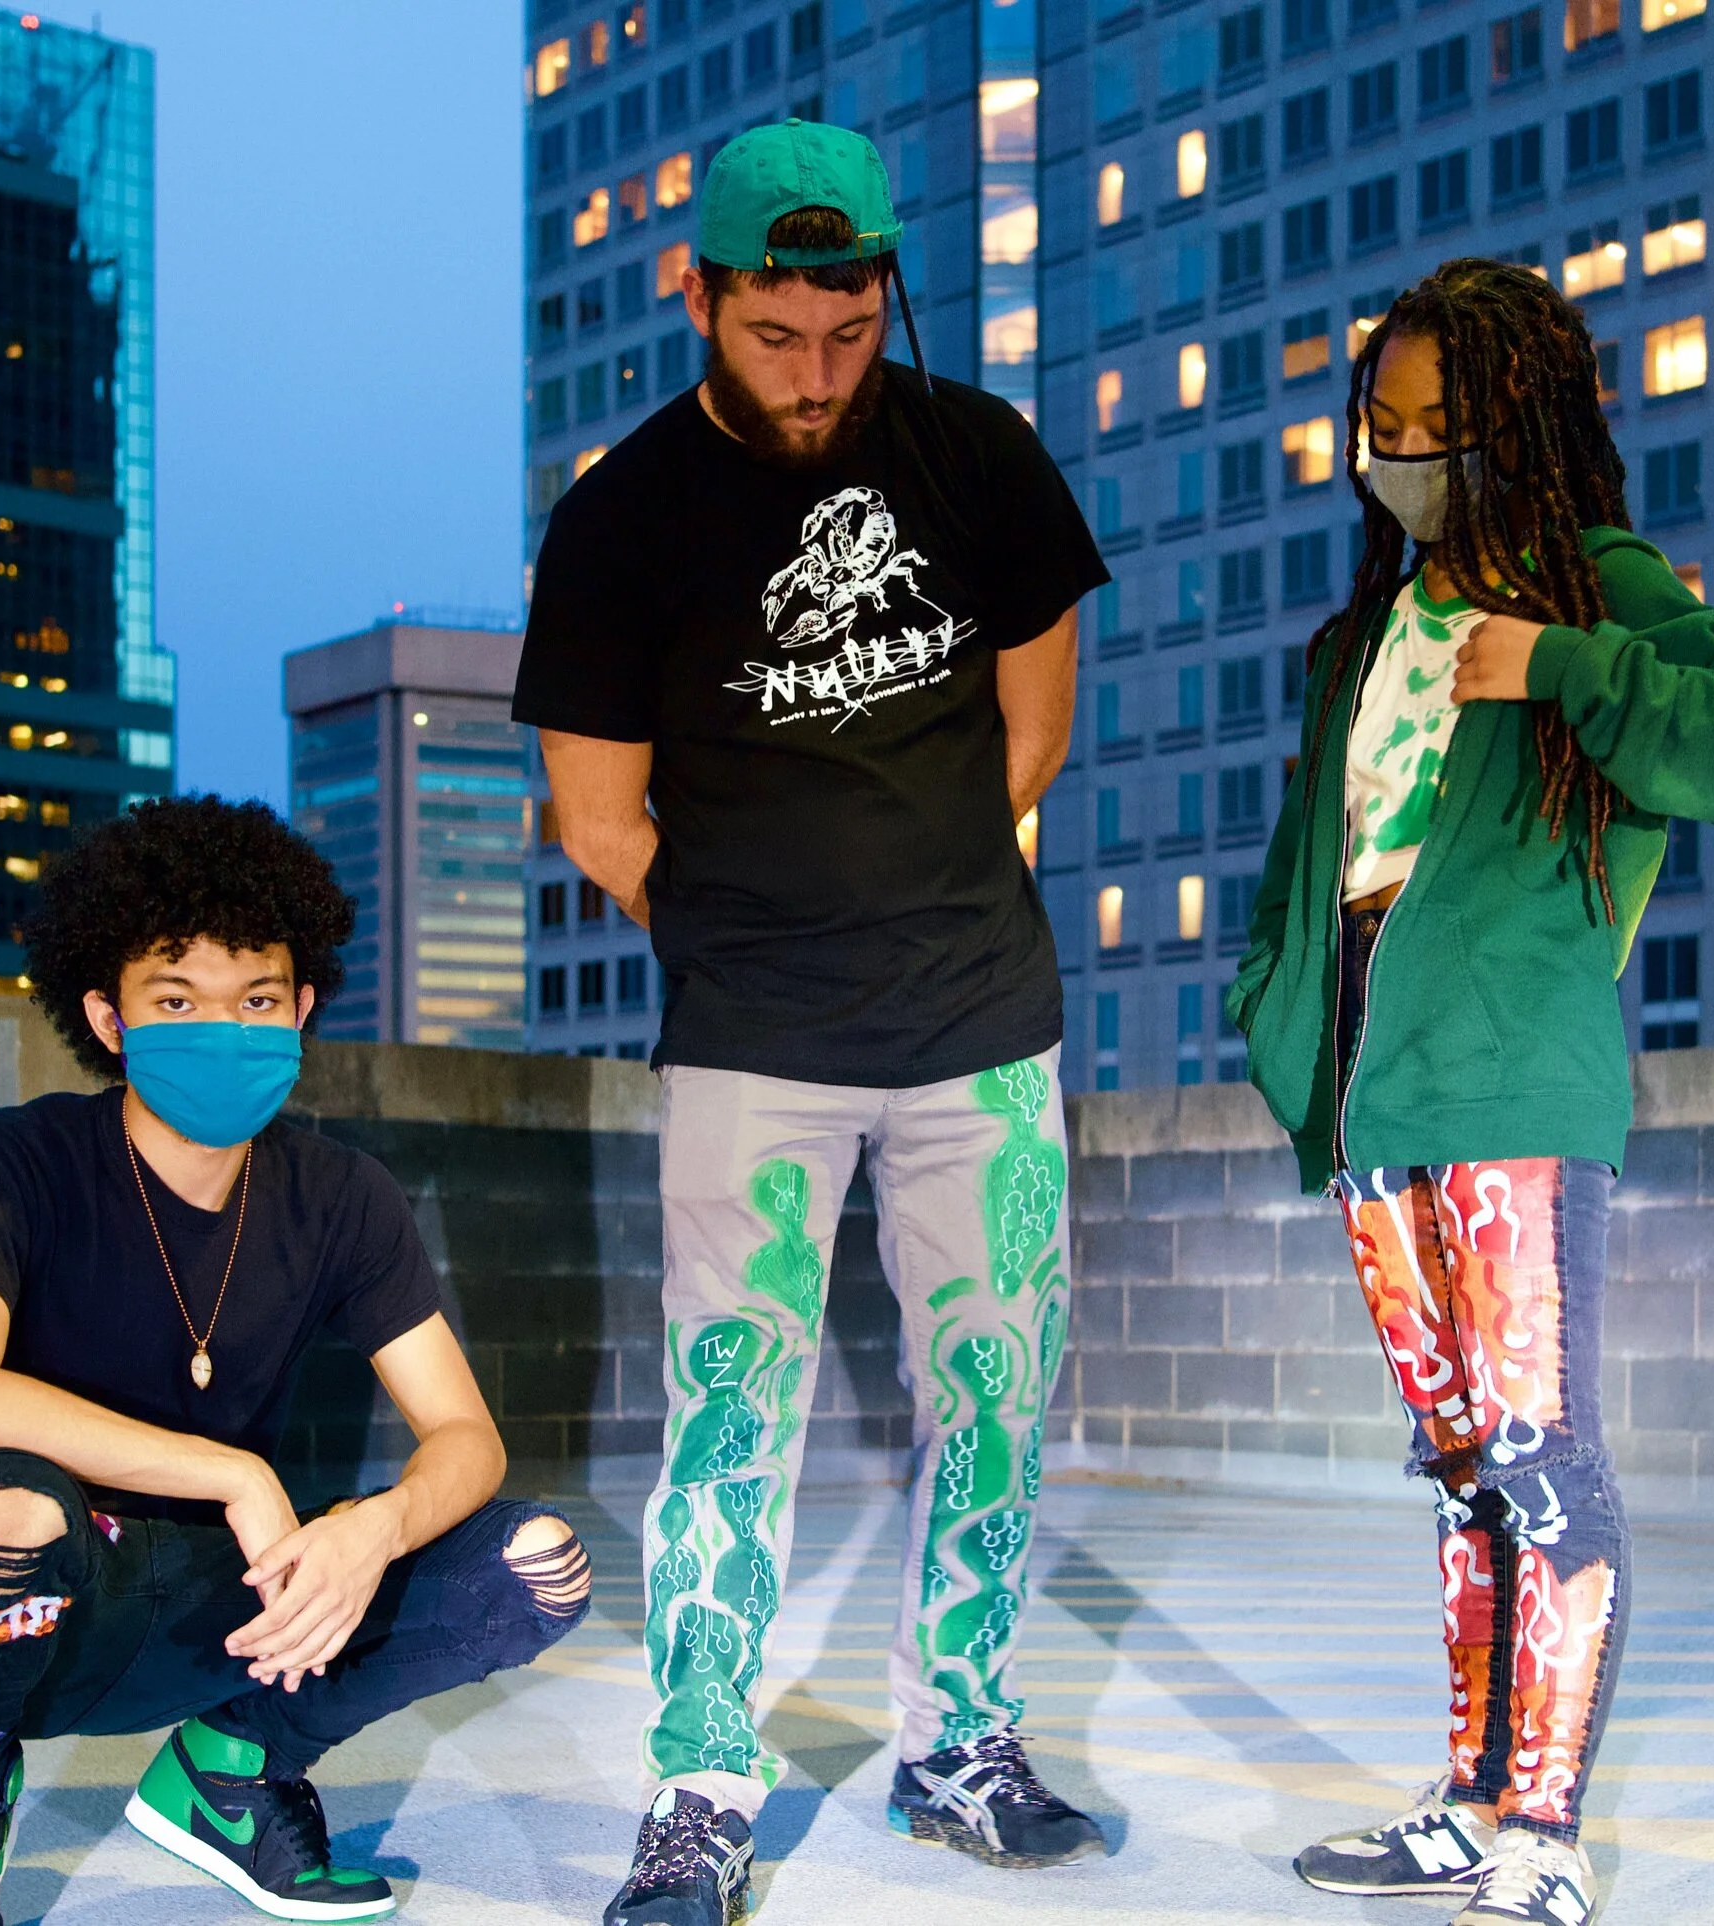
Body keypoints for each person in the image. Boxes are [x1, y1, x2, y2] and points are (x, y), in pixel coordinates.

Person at [514, 119, 1110, 1926]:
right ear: (702, 297)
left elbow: (1031, 733)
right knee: (728, 1417)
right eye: (776, 339)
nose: (814, 376)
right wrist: (762, 934)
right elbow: (597, 816)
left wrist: (915, 895)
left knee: (997, 1403)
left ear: (882, 293)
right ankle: (700, 1794)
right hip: (754, 1044)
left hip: (980, 1026)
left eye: (847, 335)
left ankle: (963, 1742)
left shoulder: (977, 454)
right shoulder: (621, 516)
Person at [1224, 260, 1714, 1926]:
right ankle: (1471, 1799)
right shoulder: (1367, 632)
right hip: (1376, 1100)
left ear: (1524, 426)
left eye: (1442, 428)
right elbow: (1318, 861)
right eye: (1385, 425)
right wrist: (1282, 1017)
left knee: (1545, 1457)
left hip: (1511, 1092)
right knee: (1459, 1461)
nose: (1404, 457)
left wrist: (1562, 665)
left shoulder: (1602, 589)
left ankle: (1543, 1841)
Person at [0, 797, 592, 1926]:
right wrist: (237, 1476)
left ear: (302, 1007)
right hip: (32, 1607)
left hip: (231, 1599)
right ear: (107, 1017)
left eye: (256, 999)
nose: (225, 1029)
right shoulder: (9, 1161)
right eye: (176, 999)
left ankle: (234, 1772)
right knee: (10, 1513)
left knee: (537, 1563)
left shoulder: (341, 1196)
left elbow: (466, 1438)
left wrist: (374, 1530)